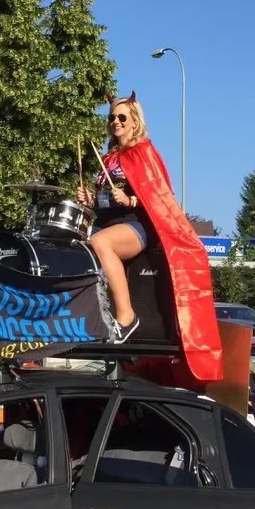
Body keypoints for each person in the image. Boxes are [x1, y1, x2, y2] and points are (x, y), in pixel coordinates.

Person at [77, 92, 222, 381]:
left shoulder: (144, 152)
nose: (116, 122)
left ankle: (127, 316)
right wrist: (89, 200)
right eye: (112, 118)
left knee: (100, 242)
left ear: (134, 123)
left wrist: (130, 199)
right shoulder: (109, 158)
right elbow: (104, 203)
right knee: (78, 249)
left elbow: (159, 195)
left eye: (122, 117)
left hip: (137, 225)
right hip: (107, 222)